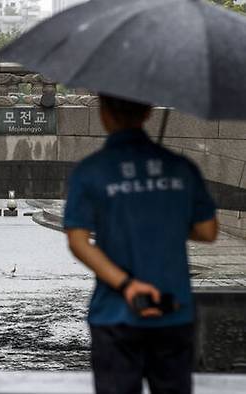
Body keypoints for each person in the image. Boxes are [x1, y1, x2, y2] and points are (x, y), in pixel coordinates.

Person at [64, 95, 218, 394]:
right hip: (173, 311)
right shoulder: (181, 168)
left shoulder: (91, 171)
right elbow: (208, 230)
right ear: (148, 111)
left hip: (115, 314)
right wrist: (163, 218)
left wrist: (127, 286)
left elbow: (78, 241)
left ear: (103, 112)